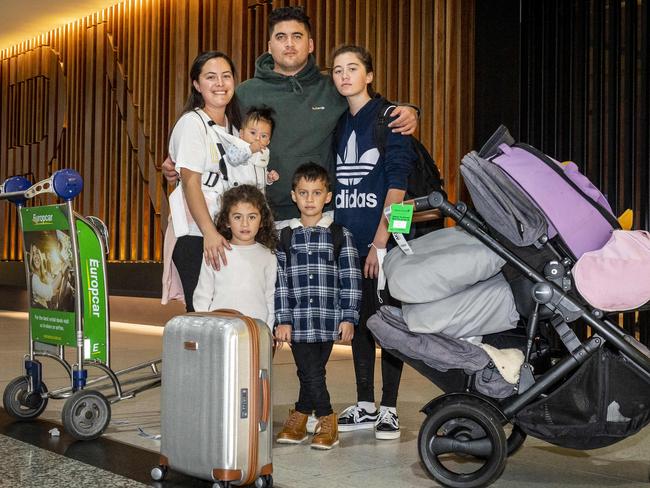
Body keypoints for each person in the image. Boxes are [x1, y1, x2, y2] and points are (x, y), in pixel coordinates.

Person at [162, 6, 418, 225]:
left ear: (310, 44)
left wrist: (409, 110)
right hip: (260, 217)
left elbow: (369, 103)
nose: (289, 43)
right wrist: (178, 160)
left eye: (297, 36)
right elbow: (215, 133)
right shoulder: (244, 93)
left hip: (324, 216)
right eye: (281, 37)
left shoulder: (332, 86)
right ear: (270, 45)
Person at [331, 45, 417, 440]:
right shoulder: (340, 125)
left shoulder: (390, 119)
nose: (345, 75)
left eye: (353, 68)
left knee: (390, 325)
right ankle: (366, 403)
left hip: (385, 244)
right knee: (363, 322)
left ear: (369, 75)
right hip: (351, 244)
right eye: (338, 70)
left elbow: (401, 187)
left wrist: (383, 242)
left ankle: (390, 408)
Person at [161, 51, 265, 312]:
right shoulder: (191, 124)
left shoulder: (236, 129)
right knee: (203, 318)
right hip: (198, 236)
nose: (220, 83)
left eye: (226, 76)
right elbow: (190, 183)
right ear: (197, 84)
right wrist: (209, 232)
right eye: (210, 77)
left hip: (226, 236)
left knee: (225, 316)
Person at [274, 162, 362, 450]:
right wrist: (282, 319)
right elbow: (280, 282)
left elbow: (351, 278)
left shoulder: (340, 234)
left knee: (309, 373)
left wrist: (349, 317)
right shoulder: (285, 237)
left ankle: (300, 414)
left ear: (328, 196)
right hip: (298, 320)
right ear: (293, 196)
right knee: (311, 371)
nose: (309, 199)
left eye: (316, 193)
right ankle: (326, 418)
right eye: (303, 192)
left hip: (328, 319)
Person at [192, 185, 277, 329]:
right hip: (219, 328)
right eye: (237, 217)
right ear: (226, 221)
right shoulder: (215, 251)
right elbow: (203, 295)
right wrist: (204, 328)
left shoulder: (268, 255)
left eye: (252, 217)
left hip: (255, 330)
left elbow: (271, 297)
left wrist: (267, 330)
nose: (245, 224)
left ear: (262, 221)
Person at [220, 106, 280, 192]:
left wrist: (268, 178)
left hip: (258, 196)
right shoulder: (237, 145)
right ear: (241, 133)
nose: (257, 138)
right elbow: (232, 159)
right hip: (238, 194)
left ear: (268, 141)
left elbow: (259, 172)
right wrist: (250, 150)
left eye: (263, 136)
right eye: (253, 133)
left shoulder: (264, 152)